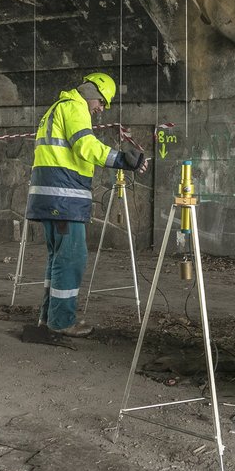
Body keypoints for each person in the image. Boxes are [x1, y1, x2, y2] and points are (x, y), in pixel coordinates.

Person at [26, 72, 148, 337]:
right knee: (71, 259)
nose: (100, 110)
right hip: (63, 198)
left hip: (53, 197)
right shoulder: (75, 107)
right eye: (102, 103)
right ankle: (61, 321)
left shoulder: (57, 108)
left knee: (58, 259)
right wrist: (121, 159)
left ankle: (49, 317)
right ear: (94, 93)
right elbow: (85, 146)